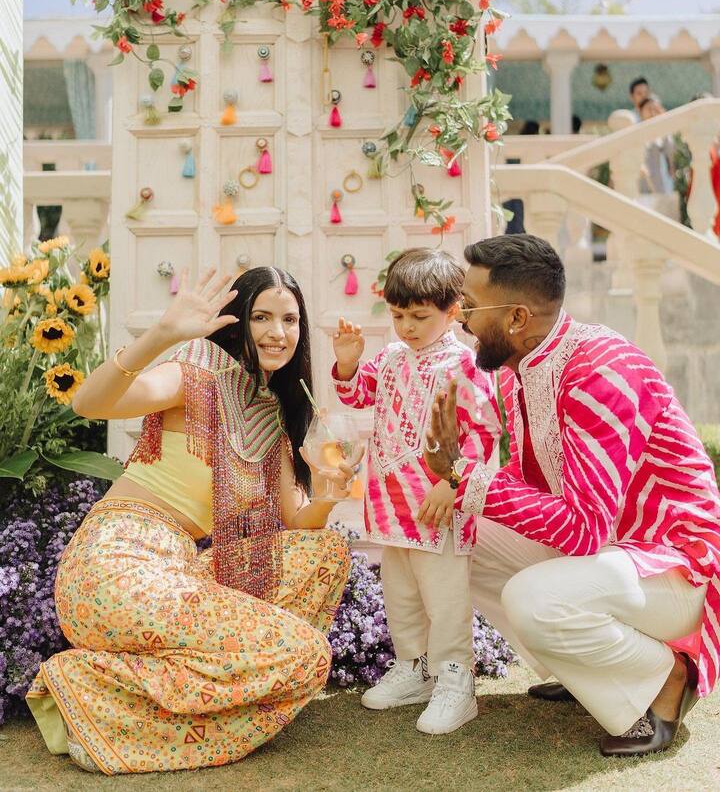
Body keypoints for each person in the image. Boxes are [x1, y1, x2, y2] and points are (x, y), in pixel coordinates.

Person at [26, 266, 357, 775]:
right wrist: (162, 334)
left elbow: (297, 527)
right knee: (305, 655)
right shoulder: (198, 369)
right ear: (237, 323)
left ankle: (123, 699)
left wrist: (330, 493)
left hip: (180, 571)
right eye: (261, 317)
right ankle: (85, 687)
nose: (277, 332)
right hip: (115, 565)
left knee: (326, 553)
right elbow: (90, 403)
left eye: (289, 320)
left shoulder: (272, 415)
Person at [417, 234, 720, 756]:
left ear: (516, 318)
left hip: (675, 568)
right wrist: (460, 484)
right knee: (462, 530)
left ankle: (665, 679)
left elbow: (583, 530)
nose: (459, 319)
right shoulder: (520, 371)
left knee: (531, 597)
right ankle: (584, 671)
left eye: (468, 305)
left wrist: (465, 474)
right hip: (613, 561)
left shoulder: (600, 369)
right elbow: (534, 499)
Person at [331, 249, 500, 734]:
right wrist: (347, 364)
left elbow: (485, 433)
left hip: (438, 508)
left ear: (453, 312)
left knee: (445, 601)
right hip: (390, 505)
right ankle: (414, 669)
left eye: (420, 316)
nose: (406, 326)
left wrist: (453, 484)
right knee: (401, 595)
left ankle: (455, 680)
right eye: (399, 314)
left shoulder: (466, 366)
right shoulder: (388, 358)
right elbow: (358, 394)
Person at [637, 96, 678, 219]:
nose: (653, 112)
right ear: (641, 111)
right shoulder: (637, 132)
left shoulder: (665, 134)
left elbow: (672, 153)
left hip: (663, 183)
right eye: (649, 109)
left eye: (656, 109)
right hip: (644, 185)